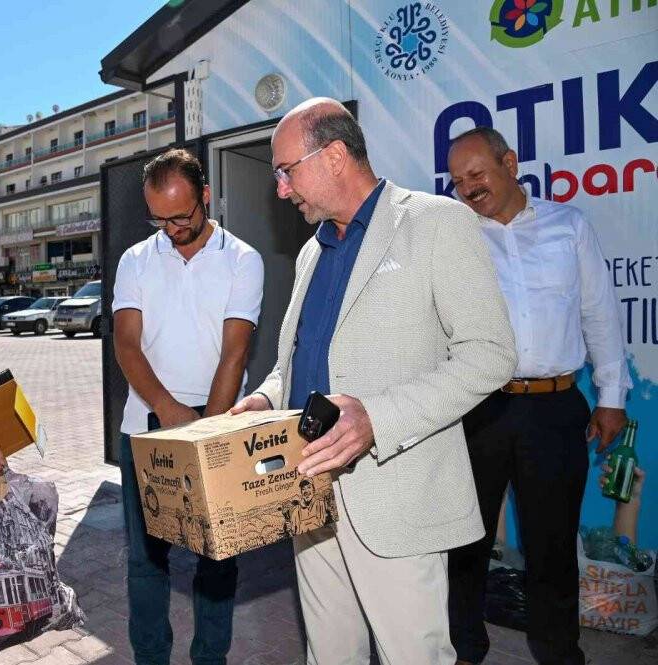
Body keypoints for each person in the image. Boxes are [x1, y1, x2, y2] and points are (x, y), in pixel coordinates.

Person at [229, 98, 516, 664]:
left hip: (397, 500)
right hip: (310, 493)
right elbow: (297, 356)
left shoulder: (436, 223)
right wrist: (265, 394)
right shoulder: (313, 251)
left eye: (287, 171)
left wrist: (376, 420)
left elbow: (491, 355)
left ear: (334, 156)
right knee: (330, 655)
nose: (281, 190)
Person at [446, 126, 631, 665]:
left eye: (478, 174)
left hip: (554, 409)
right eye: (459, 181)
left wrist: (612, 397)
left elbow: (599, 313)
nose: (469, 188)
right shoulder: (455, 236)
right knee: (466, 541)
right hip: (477, 408)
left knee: (552, 546)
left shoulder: (567, 225)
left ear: (510, 162)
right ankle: (463, 649)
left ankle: (559, 652)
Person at [113, 148, 264, 665]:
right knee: (146, 561)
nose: (172, 229)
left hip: (218, 419)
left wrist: (209, 431)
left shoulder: (243, 259)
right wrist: (171, 412)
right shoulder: (136, 260)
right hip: (148, 427)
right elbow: (126, 346)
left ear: (205, 196)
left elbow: (235, 351)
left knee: (218, 556)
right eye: (159, 218)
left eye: (181, 216)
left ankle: (210, 659)